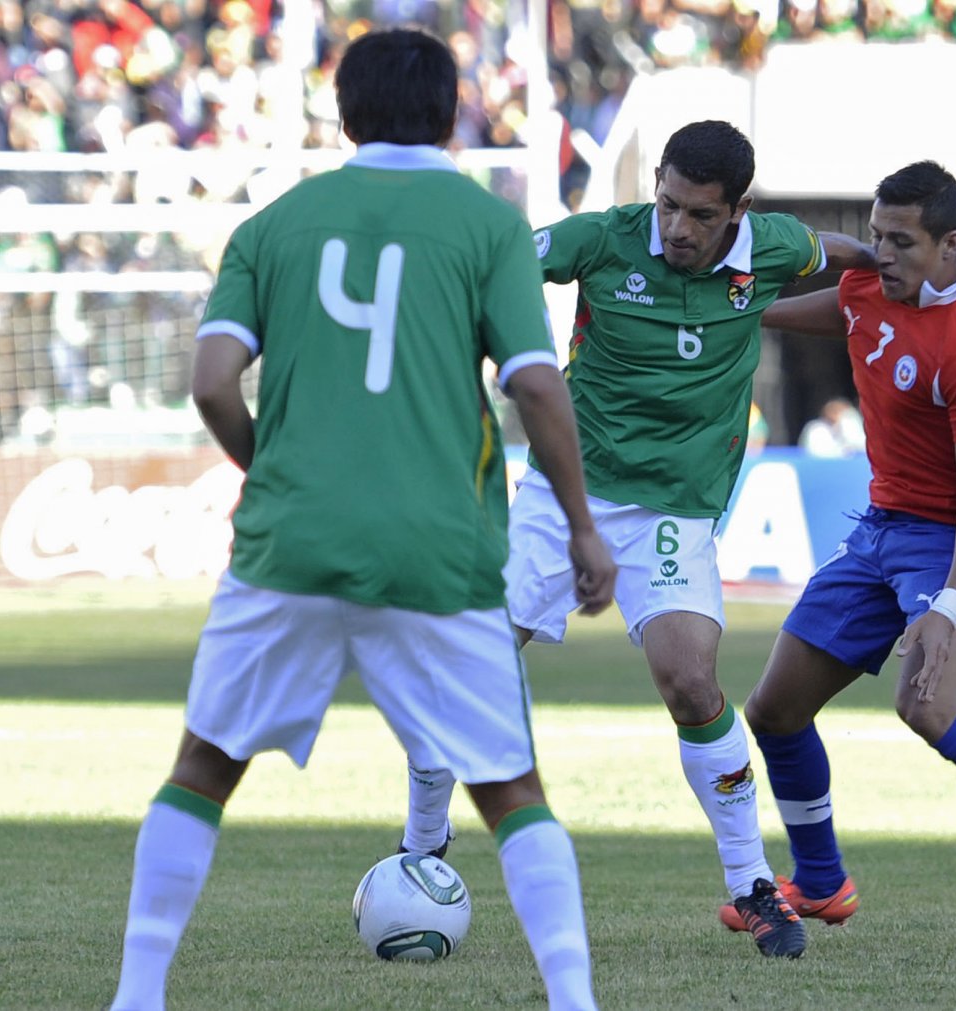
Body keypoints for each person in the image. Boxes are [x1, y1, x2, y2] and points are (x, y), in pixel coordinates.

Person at [109, 28, 615, 1011]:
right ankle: (573, 1000)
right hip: (440, 547)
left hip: (290, 543)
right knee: (510, 789)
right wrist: (582, 528)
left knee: (204, 767)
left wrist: (274, 471)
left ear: (343, 115)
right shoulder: (488, 225)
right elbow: (535, 386)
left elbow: (211, 382)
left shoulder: (273, 225)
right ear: (452, 114)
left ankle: (137, 994)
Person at [399, 119, 877, 960]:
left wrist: (893, 266)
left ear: (738, 212)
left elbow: (837, 251)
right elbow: (503, 261)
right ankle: (421, 845)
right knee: (473, 657)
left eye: (701, 214)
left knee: (692, 682)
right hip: (565, 490)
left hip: (673, 510)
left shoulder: (772, 247)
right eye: (667, 204)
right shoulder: (605, 238)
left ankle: (752, 884)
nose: (678, 228)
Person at [718, 161, 956, 955]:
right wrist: (741, 307)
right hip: (881, 528)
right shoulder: (874, 285)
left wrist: (948, 606)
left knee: (927, 706)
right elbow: (843, 310)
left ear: (949, 246)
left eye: (900, 241)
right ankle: (821, 879)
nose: (881, 254)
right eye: (875, 236)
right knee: (774, 709)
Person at [798, 397, 866, 456]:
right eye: (834, 411)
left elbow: (860, 446)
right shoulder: (816, 429)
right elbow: (817, 452)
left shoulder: (850, 425)